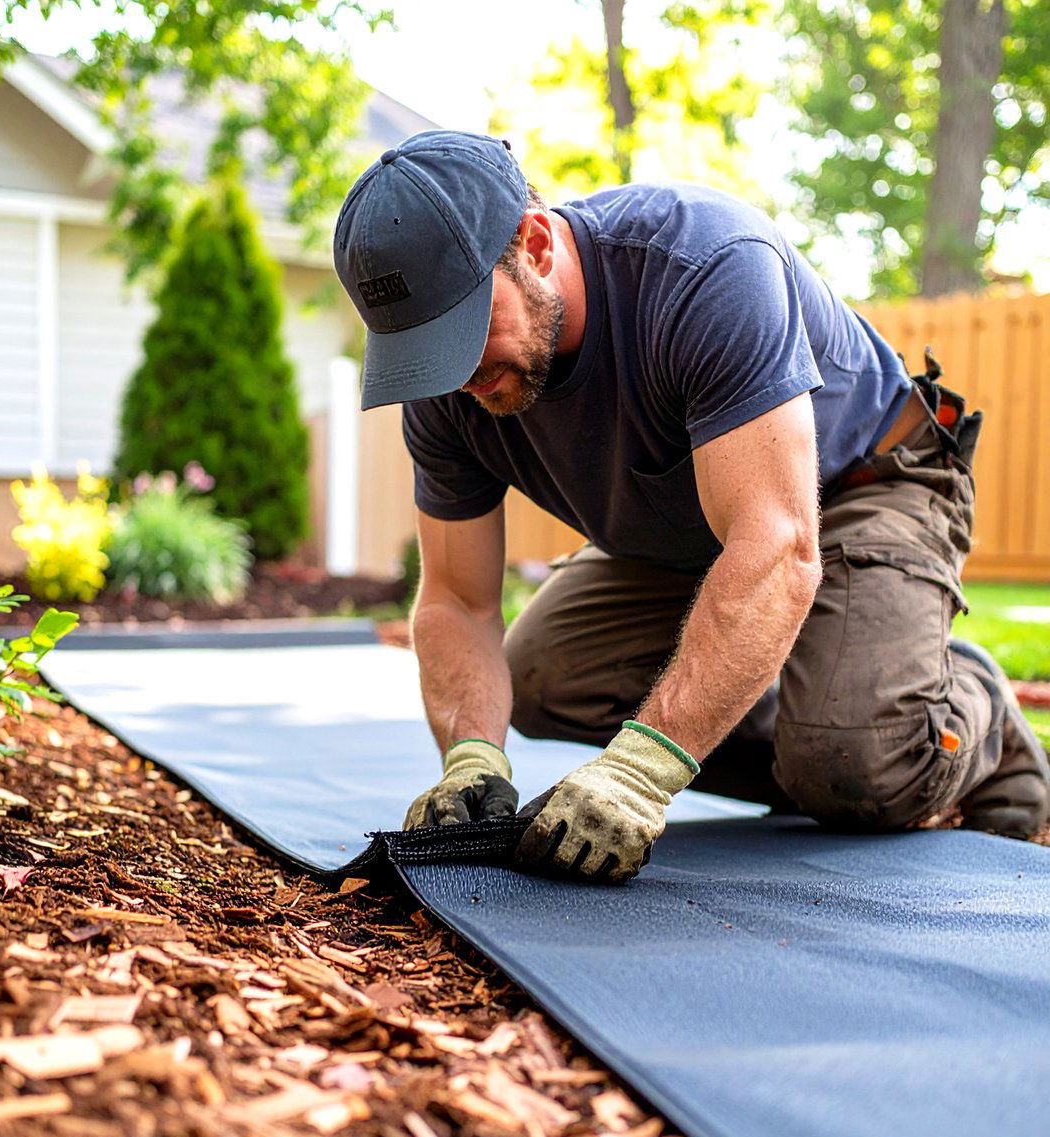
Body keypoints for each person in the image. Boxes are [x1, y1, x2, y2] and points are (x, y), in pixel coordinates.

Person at [333, 130, 1050, 883]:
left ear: (535, 242)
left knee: (852, 764)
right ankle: (832, 704)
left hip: (857, 493)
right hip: (687, 531)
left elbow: (777, 545)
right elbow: (456, 598)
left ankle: (962, 711)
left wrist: (642, 770)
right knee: (542, 679)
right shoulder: (451, 385)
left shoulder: (704, 267)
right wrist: (470, 758)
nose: (457, 375)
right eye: (427, 348)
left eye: (467, 327)